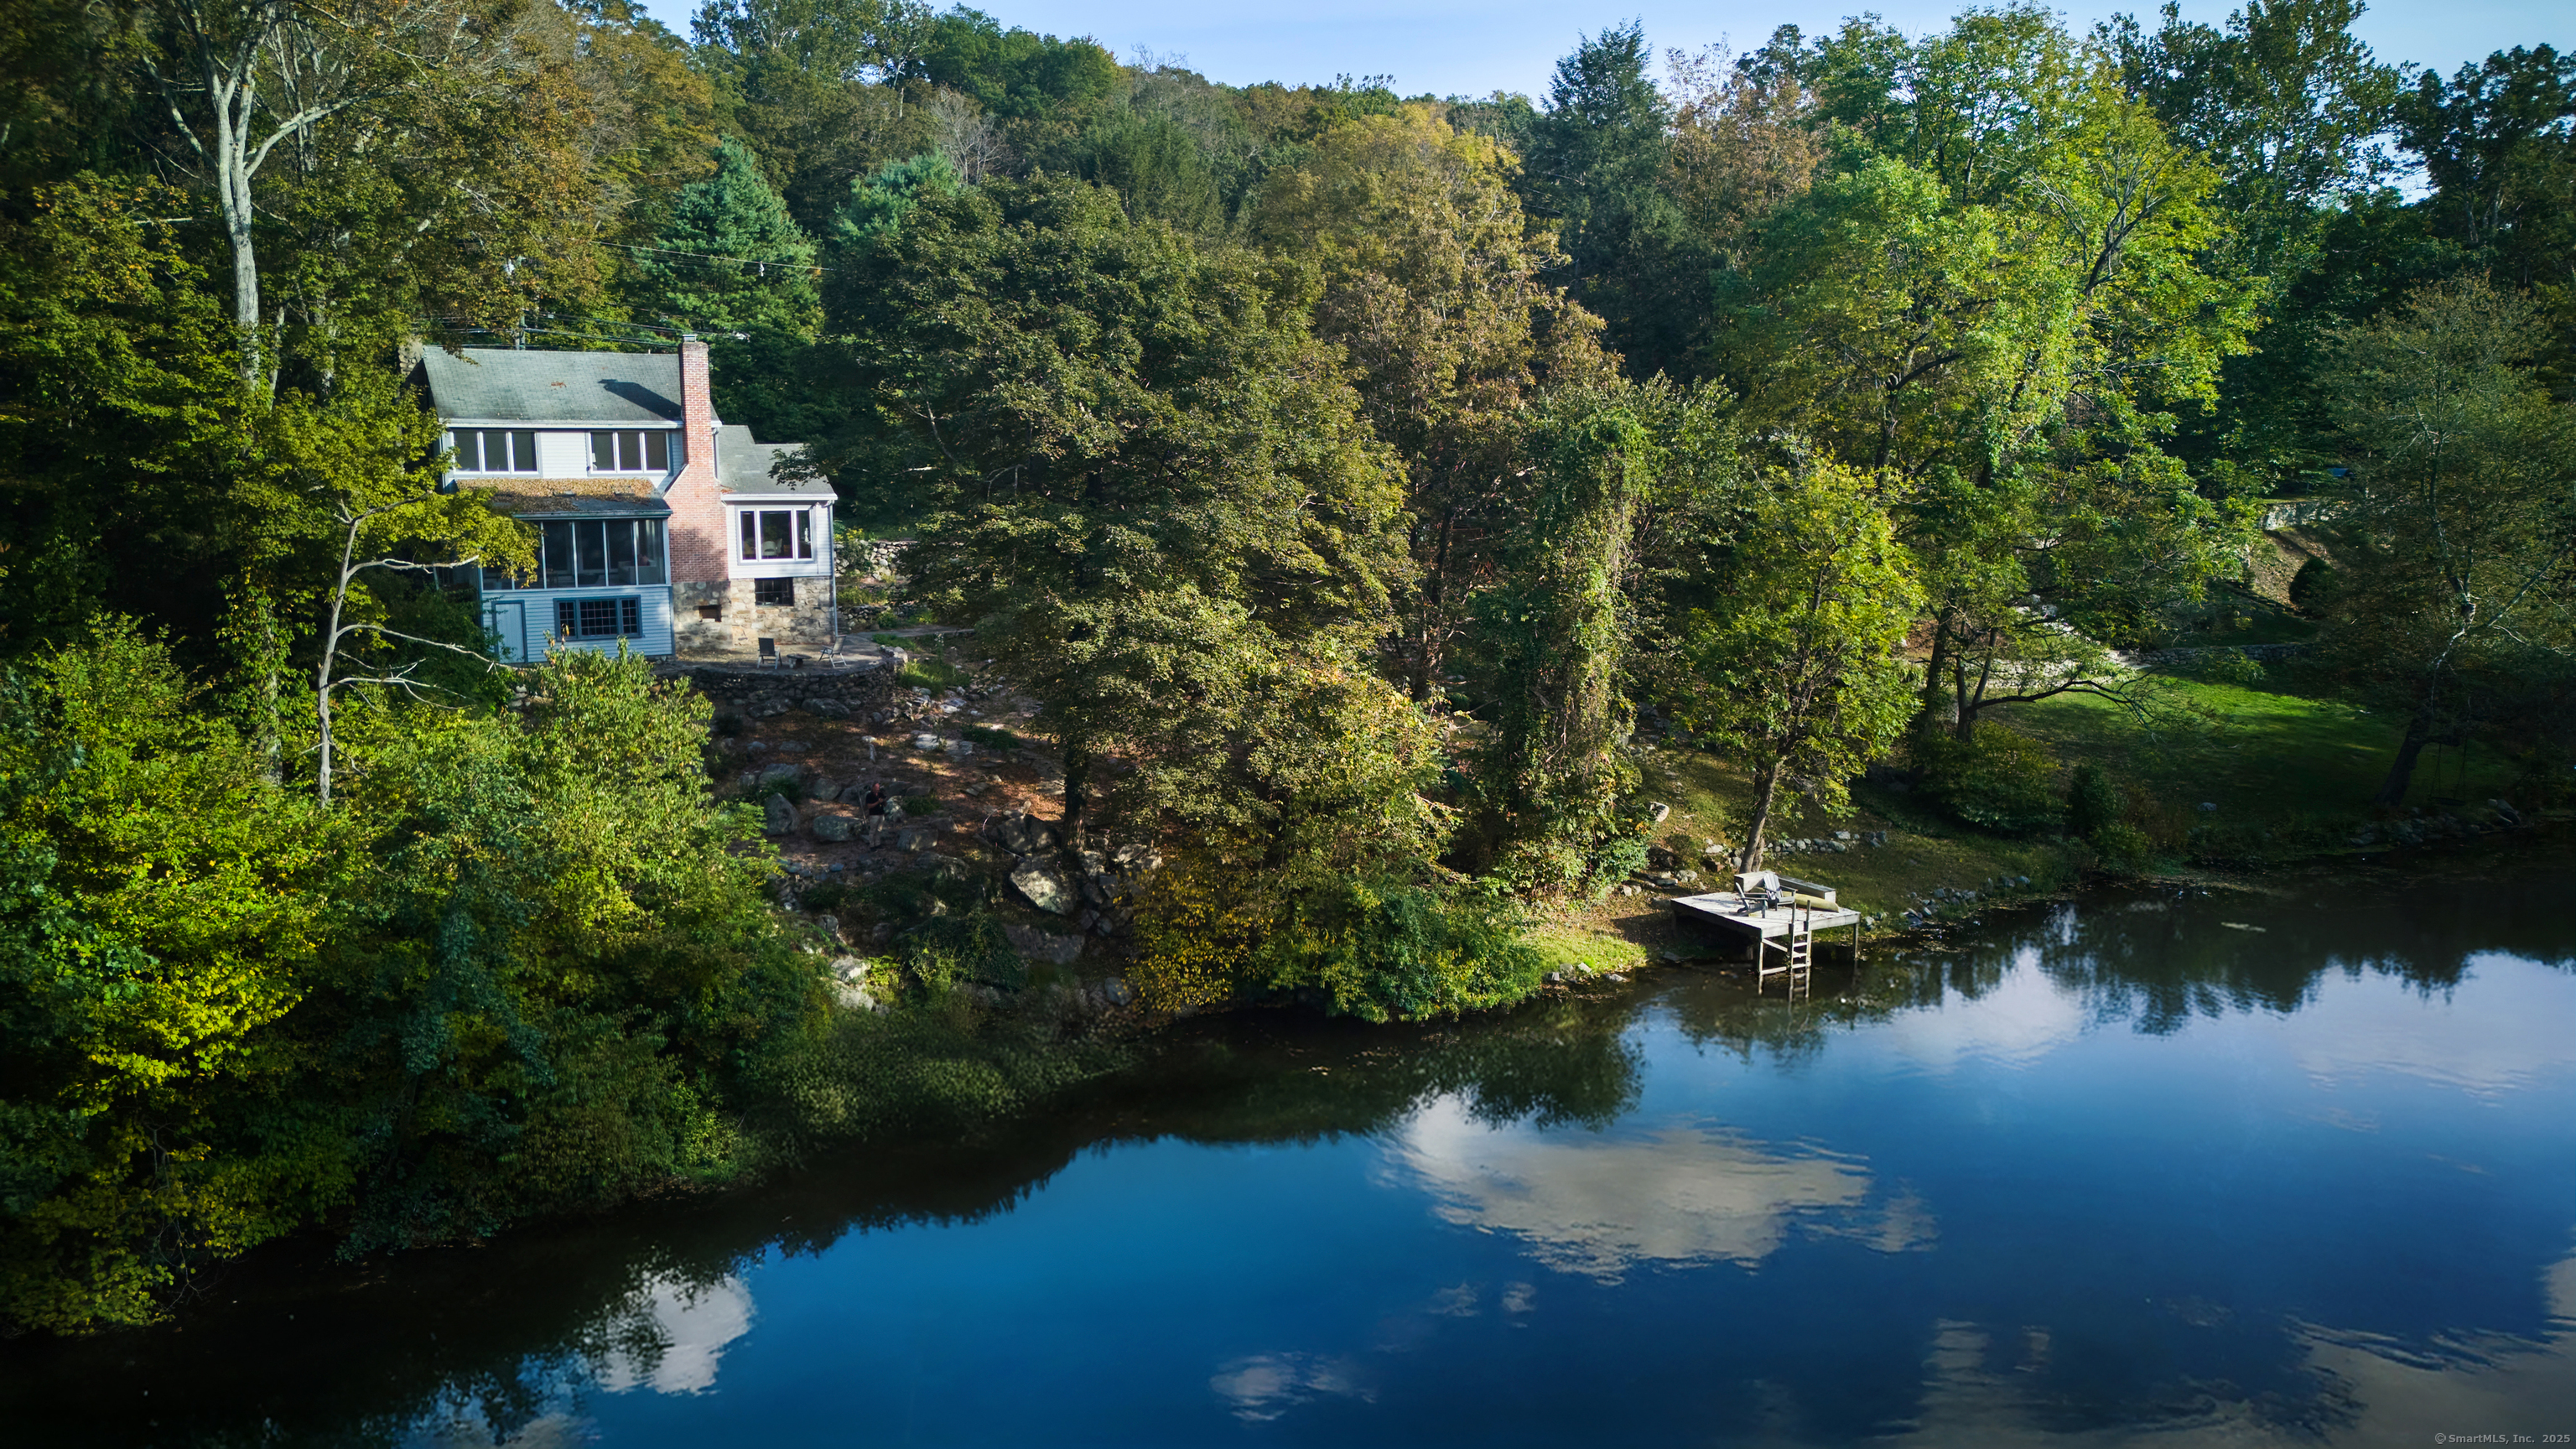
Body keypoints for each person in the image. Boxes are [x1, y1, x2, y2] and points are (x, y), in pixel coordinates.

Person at [863, 780, 889, 847]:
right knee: (873, 830)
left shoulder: (880, 794)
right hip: (874, 815)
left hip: (881, 814)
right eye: (876, 787)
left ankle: (878, 844)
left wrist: (883, 801)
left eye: (878, 787)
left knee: (879, 830)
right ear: (873, 788)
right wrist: (878, 802)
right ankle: (872, 845)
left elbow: (885, 804)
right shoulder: (869, 795)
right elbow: (869, 806)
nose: (878, 789)